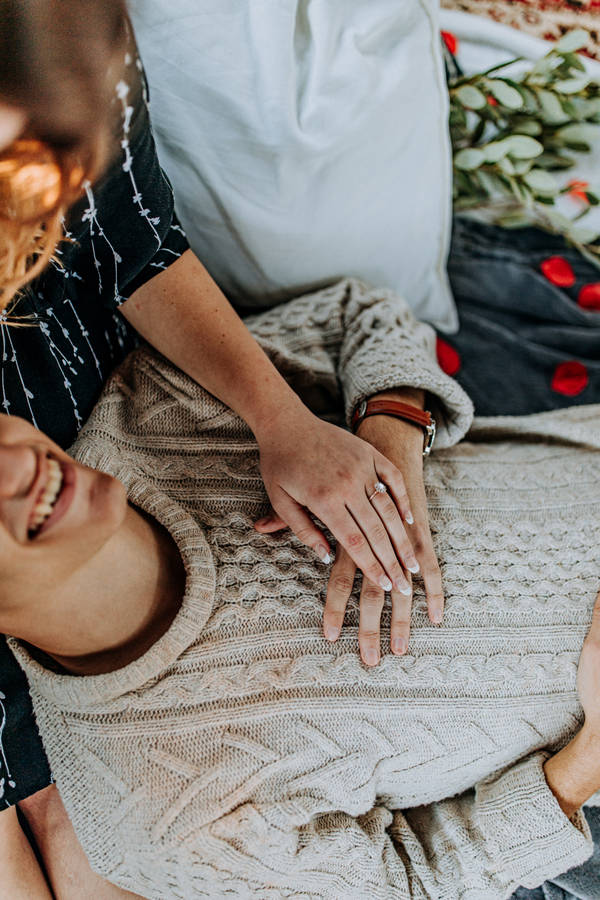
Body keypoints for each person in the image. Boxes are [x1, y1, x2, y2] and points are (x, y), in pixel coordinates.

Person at [0, 3, 446, 891]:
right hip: (32, 546)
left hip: (102, 489)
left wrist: (283, 422)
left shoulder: (58, 29)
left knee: (108, 840)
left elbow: (134, 239)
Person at [4, 277, 600, 898]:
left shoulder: (151, 410)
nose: (17, 463)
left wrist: (390, 434)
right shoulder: (155, 823)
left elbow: (357, 313)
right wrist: (589, 759)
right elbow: (414, 884)